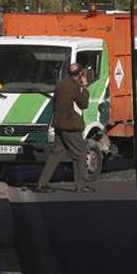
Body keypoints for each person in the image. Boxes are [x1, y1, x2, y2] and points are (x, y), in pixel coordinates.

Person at [37, 63, 92, 193]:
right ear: (80, 74)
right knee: (80, 153)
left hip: (59, 125)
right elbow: (83, 104)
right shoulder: (75, 87)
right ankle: (81, 185)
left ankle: (42, 183)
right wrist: (85, 87)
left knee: (55, 154)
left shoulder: (60, 84)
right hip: (70, 126)